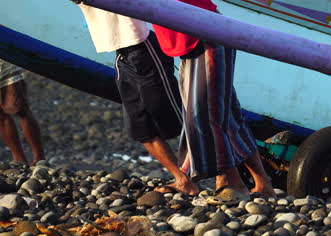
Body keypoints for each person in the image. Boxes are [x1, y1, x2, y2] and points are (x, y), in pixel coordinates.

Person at [72, 1, 199, 195]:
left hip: (144, 50)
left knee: (181, 118)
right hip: (122, 56)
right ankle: (182, 179)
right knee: (141, 129)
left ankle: (228, 170)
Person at [152, 0, 276, 198]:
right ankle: (263, 183)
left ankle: (232, 181)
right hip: (199, 38)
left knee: (204, 114)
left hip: (205, 37)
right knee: (228, 116)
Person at [0, 59, 45, 165]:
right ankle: (19, 159)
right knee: (1, 115)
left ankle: (39, 158)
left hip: (4, 61)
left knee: (21, 109)